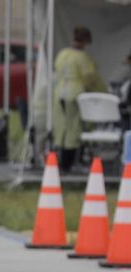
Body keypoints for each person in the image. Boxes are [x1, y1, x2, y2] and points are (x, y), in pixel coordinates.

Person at [54, 26, 105, 172]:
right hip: (75, 94)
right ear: (86, 41)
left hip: (59, 92)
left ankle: (62, 161)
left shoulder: (62, 54)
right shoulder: (83, 58)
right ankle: (69, 163)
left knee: (61, 127)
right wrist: (104, 92)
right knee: (74, 128)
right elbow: (91, 78)